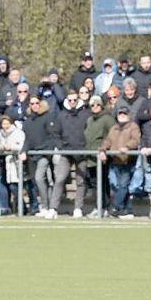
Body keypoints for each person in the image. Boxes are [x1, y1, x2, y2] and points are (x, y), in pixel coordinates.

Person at [99, 106, 140, 218]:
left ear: (128, 115)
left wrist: (127, 147)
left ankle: (115, 207)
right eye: (120, 113)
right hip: (115, 160)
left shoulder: (133, 127)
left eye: (124, 113)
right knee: (116, 185)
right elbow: (107, 141)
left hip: (128, 161)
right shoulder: (114, 128)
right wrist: (102, 150)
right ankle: (128, 210)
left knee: (123, 185)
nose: (122, 115)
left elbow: (136, 140)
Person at [54, 89, 90, 217]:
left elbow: (89, 132)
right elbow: (56, 134)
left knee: (81, 181)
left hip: (81, 152)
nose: (73, 102)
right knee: (60, 179)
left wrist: (86, 148)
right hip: (66, 152)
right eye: (70, 100)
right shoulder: (61, 115)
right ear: (67, 100)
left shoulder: (86, 114)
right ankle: (53, 208)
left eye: (75, 100)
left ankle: (78, 208)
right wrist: (61, 147)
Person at [20, 96, 56, 218]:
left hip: (44, 154)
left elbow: (52, 136)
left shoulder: (47, 117)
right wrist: (23, 151)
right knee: (36, 181)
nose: (34, 105)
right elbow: (27, 140)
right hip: (32, 155)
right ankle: (43, 206)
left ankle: (47, 206)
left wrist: (47, 151)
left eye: (37, 103)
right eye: (32, 103)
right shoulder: (28, 121)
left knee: (40, 178)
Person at [83, 95, 115, 217]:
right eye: (92, 105)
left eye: (97, 104)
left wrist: (104, 149)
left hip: (102, 156)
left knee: (101, 183)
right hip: (90, 157)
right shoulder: (89, 120)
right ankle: (99, 206)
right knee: (95, 183)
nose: (95, 107)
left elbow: (111, 136)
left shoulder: (108, 119)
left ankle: (103, 207)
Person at [0, 115, 26, 213]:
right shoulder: (1, 134)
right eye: (3, 124)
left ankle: (23, 208)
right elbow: (2, 145)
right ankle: (21, 207)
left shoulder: (18, 132)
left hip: (18, 162)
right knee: (12, 185)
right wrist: (1, 147)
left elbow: (22, 145)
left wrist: (11, 147)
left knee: (16, 185)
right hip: (8, 162)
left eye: (7, 123)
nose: (5, 126)